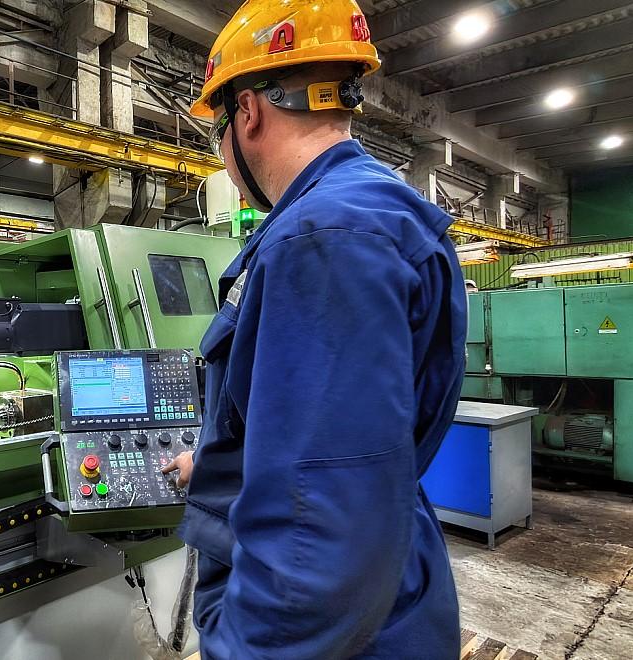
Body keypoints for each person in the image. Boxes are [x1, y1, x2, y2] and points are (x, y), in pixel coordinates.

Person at [159, 1, 467, 658]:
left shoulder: (322, 239)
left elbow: (316, 541)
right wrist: (215, 462)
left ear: (247, 112)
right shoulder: (380, 210)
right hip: (388, 593)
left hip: (331, 637)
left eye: (218, 128)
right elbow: (342, 444)